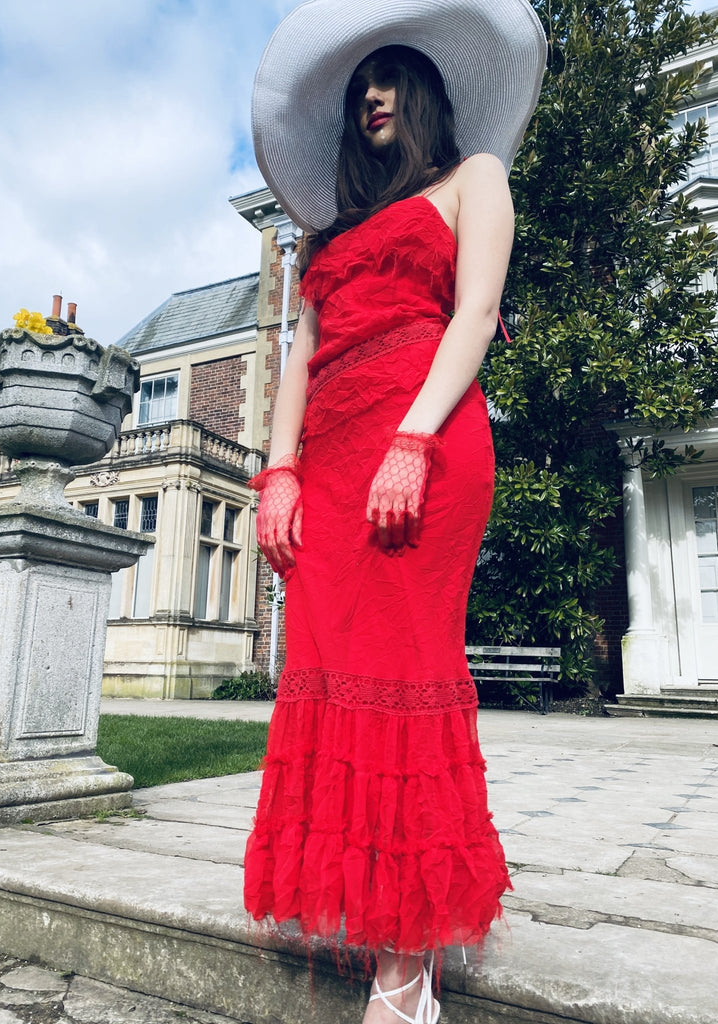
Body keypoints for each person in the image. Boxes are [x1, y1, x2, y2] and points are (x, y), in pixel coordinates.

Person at [245, 2, 546, 1021]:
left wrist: (413, 440)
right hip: (326, 465)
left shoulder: (476, 179)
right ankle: (379, 925)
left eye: (388, 76)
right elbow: (299, 356)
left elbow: (475, 314)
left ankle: (407, 973)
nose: (371, 95)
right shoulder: (328, 237)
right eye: (358, 86)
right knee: (333, 679)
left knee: (407, 671)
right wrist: (279, 473)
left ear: (424, 91)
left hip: (427, 434)